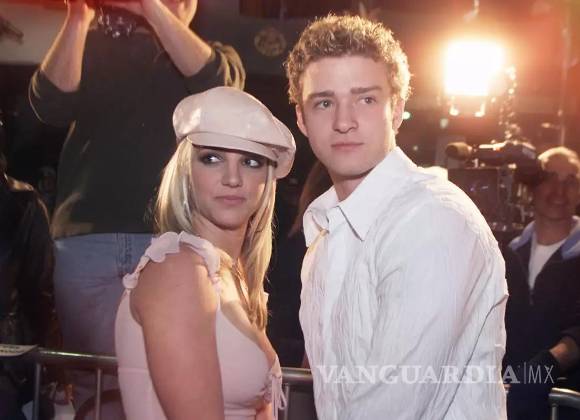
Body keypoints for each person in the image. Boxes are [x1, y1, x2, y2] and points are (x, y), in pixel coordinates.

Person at [285, 14, 508, 419]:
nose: (344, 121)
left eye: (366, 99)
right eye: (324, 102)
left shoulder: (432, 220)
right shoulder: (325, 229)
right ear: (302, 118)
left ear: (398, 109)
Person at [28, 0, 244, 415]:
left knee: (167, 379)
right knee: (92, 380)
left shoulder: (212, 57)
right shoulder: (90, 45)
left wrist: (151, 9)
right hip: (87, 239)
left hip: (169, 239)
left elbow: (216, 85)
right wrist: (77, 15)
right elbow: (49, 104)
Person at [115, 86, 296, 420]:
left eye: (251, 162)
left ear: (268, 180)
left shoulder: (229, 277)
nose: (232, 178)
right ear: (186, 171)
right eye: (212, 158)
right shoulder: (178, 269)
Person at [504, 147, 580, 420]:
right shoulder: (507, 251)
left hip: (565, 406)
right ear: (531, 187)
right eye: (550, 178)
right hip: (505, 399)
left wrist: (549, 363)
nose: (560, 191)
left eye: (571, 181)